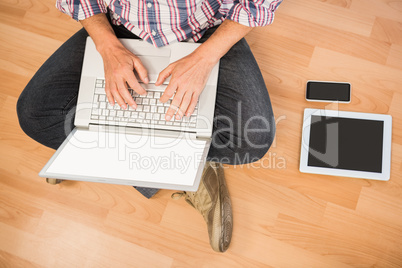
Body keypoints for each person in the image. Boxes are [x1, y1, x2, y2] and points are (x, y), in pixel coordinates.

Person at [17, 0, 282, 252]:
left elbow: (257, 4)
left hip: (208, 29)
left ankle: (99, 155)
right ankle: (188, 168)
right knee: (33, 114)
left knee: (253, 139)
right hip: (118, 27)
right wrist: (108, 47)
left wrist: (203, 60)